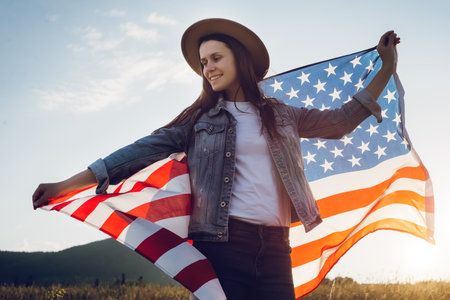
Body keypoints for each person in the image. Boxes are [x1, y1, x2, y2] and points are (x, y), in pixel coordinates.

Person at [33, 18, 400, 300]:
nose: (208, 68)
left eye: (215, 58)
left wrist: (386, 66)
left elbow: (341, 121)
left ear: (240, 60)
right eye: (203, 62)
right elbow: (131, 156)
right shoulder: (197, 122)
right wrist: (63, 185)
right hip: (225, 245)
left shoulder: (284, 115)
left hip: (275, 247)